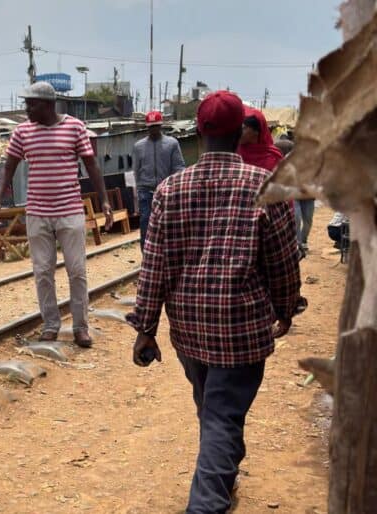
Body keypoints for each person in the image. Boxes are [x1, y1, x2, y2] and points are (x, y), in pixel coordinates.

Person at [127, 90, 301, 513]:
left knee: (213, 411)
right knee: (222, 416)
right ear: (241, 130)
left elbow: (155, 268)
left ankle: (223, 480)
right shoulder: (265, 187)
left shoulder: (170, 191)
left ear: (199, 132)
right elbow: (283, 262)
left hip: (189, 332)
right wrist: (285, 307)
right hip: (241, 331)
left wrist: (146, 330)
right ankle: (208, 503)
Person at [0, 81, 112, 348]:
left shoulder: (75, 127)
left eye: (30, 104)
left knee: (77, 270)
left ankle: (80, 327)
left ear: (47, 105)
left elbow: (91, 165)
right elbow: (9, 166)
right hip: (38, 212)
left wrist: (104, 200)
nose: (26, 109)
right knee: (43, 271)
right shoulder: (22, 132)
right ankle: (51, 324)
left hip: (69, 210)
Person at [132, 110, 186, 247]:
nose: (153, 129)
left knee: (169, 223)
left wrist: (176, 187)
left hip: (167, 191)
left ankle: (167, 251)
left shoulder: (172, 144)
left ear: (161, 126)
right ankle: (146, 254)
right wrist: (139, 190)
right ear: (147, 127)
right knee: (145, 223)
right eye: (151, 127)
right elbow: (136, 170)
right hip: (146, 191)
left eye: (156, 126)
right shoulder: (138, 147)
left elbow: (179, 167)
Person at [276, 138, 316, 256]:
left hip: (308, 195)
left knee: (308, 220)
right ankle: (298, 244)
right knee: (296, 219)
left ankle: (303, 240)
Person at [238, 107, 284, 171]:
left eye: (243, 128)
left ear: (256, 131)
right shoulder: (235, 152)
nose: (238, 132)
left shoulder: (273, 157)